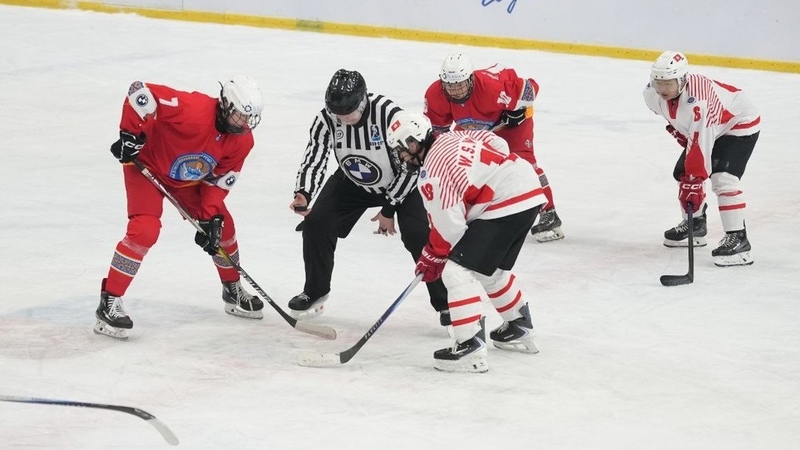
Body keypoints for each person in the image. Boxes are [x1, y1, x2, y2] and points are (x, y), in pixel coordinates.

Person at [95, 76, 265, 339]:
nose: (244, 123)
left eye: (249, 117)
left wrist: (208, 218)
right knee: (144, 230)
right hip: (146, 168)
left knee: (223, 226)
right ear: (225, 105)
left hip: (188, 180)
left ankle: (232, 289)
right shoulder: (191, 108)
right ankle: (110, 301)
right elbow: (140, 92)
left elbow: (217, 181)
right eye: (240, 115)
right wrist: (130, 134)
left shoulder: (242, 142)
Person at [387, 111, 546, 373]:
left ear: (414, 143)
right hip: (527, 187)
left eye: (402, 150)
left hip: (505, 201)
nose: (401, 157)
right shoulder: (452, 136)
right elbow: (497, 143)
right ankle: (519, 326)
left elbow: (450, 226)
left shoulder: (432, 173)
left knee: (455, 269)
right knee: (489, 269)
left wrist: (432, 255)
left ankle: (469, 346)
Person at [288, 69, 449, 322]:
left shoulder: (389, 114)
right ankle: (315, 291)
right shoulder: (327, 118)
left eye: (349, 111)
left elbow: (412, 166)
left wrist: (389, 208)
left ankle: (447, 303)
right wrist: (304, 192)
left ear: (363, 99)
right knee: (316, 224)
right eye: (338, 113)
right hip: (353, 182)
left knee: (418, 236)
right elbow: (315, 156)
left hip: (401, 184)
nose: (344, 118)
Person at [424, 53, 564, 243]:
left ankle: (549, 213)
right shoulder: (435, 94)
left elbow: (532, 89)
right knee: (459, 162)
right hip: (474, 128)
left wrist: (521, 111)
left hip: (510, 126)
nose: (455, 90)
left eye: (460, 84)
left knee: (526, 166)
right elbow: (438, 135)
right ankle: (461, 211)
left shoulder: (493, 87)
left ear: (471, 79)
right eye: (449, 85)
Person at [644, 51, 760, 266]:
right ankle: (695, 225)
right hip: (709, 126)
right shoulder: (651, 94)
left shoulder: (699, 102)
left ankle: (739, 240)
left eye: (668, 83)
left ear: (682, 80)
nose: (662, 89)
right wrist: (679, 130)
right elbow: (676, 118)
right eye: (659, 83)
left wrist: (695, 180)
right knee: (683, 173)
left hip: (737, 123)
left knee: (723, 178)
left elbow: (700, 142)